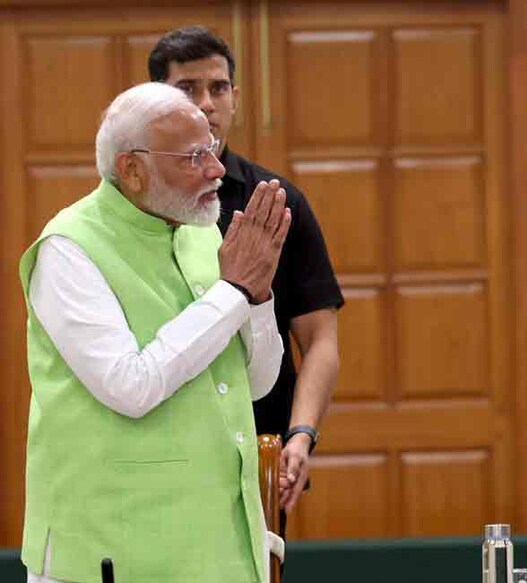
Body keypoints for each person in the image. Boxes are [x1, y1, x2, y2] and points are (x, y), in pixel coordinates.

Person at [21, 82, 288, 582]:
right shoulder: (67, 249)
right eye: (193, 157)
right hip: (110, 551)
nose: (216, 170)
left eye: (212, 148)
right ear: (133, 169)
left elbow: (255, 383)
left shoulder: (202, 230)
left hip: (219, 549)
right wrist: (233, 292)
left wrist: (257, 295)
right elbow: (131, 385)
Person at [149, 26, 344, 516]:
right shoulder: (140, 205)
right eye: (187, 90)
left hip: (258, 450)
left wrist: (301, 435)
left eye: (217, 88)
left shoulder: (276, 201)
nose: (206, 103)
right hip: (159, 452)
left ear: (235, 97)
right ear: (156, 103)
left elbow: (319, 337)